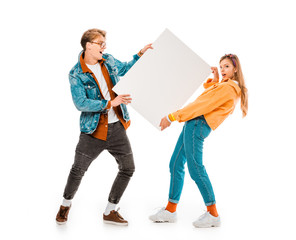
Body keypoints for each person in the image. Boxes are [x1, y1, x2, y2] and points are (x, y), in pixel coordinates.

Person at [55, 28, 152, 226]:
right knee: (78, 170)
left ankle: (110, 210)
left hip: (116, 128)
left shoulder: (107, 60)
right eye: (101, 43)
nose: (104, 47)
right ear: (88, 46)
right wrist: (110, 103)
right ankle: (65, 205)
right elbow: (80, 103)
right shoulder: (76, 74)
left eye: (104, 43)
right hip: (93, 131)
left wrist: (140, 54)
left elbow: (124, 68)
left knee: (128, 168)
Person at [149, 54, 248, 228]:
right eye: (221, 66)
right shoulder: (223, 86)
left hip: (198, 124)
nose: (223, 69)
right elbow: (209, 97)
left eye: (226, 66)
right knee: (175, 163)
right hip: (192, 123)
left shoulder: (229, 89)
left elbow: (201, 105)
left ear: (235, 69)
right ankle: (170, 210)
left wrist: (172, 117)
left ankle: (213, 214)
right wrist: (216, 79)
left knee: (195, 168)